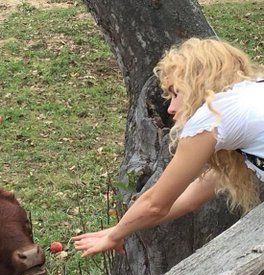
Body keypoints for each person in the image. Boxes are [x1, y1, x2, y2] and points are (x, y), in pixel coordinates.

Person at [73, 37, 264, 257]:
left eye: (176, 93)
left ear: (198, 84)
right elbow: (193, 196)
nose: (171, 108)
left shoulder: (214, 117)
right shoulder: (251, 94)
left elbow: (155, 204)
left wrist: (113, 236)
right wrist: (120, 229)